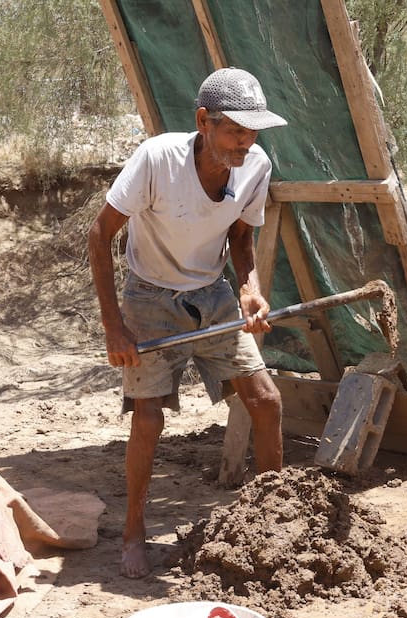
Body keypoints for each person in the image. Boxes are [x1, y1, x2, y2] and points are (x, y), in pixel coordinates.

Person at [88, 67, 288, 578]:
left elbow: (240, 239)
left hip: (212, 294)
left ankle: (275, 523)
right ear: (203, 121)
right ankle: (134, 534)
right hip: (149, 295)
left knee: (266, 400)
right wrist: (114, 326)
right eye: (234, 131)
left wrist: (250, 289)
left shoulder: (256, 166)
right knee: (148, 416)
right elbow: (99, 235)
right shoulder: (157, 159)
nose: (245, 142)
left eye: (252, 131)